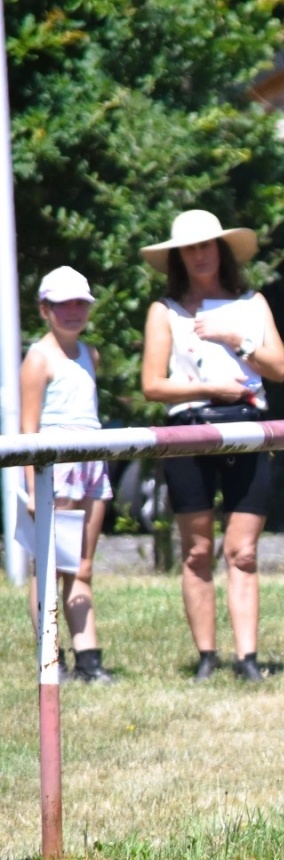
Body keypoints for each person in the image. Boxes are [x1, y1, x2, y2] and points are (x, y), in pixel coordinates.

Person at [139, 210, 284, 682]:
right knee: (197, 550)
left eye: (207, 245)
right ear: (179, 257)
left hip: (247, 425)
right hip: (189, 431)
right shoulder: (165, 311)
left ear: (221, 251)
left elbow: (279, 368)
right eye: (191, 248)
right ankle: (207, 657)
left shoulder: (252, 303)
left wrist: (234, 338)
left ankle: (247, 659)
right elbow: (152, 385)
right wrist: (207, 391)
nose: (200, 255)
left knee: (242, 551)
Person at [19, 267, 116, 683]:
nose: (74, 311)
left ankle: (88, 658)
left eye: (81, 303)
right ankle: (50, 656)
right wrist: (31, 491)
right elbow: (28, 430)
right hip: (55, 469)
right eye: (63, 305)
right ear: (45, 310)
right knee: (50, 566)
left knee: (82, 565)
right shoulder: (38, 359)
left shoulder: (89, 354)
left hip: (92, 463)